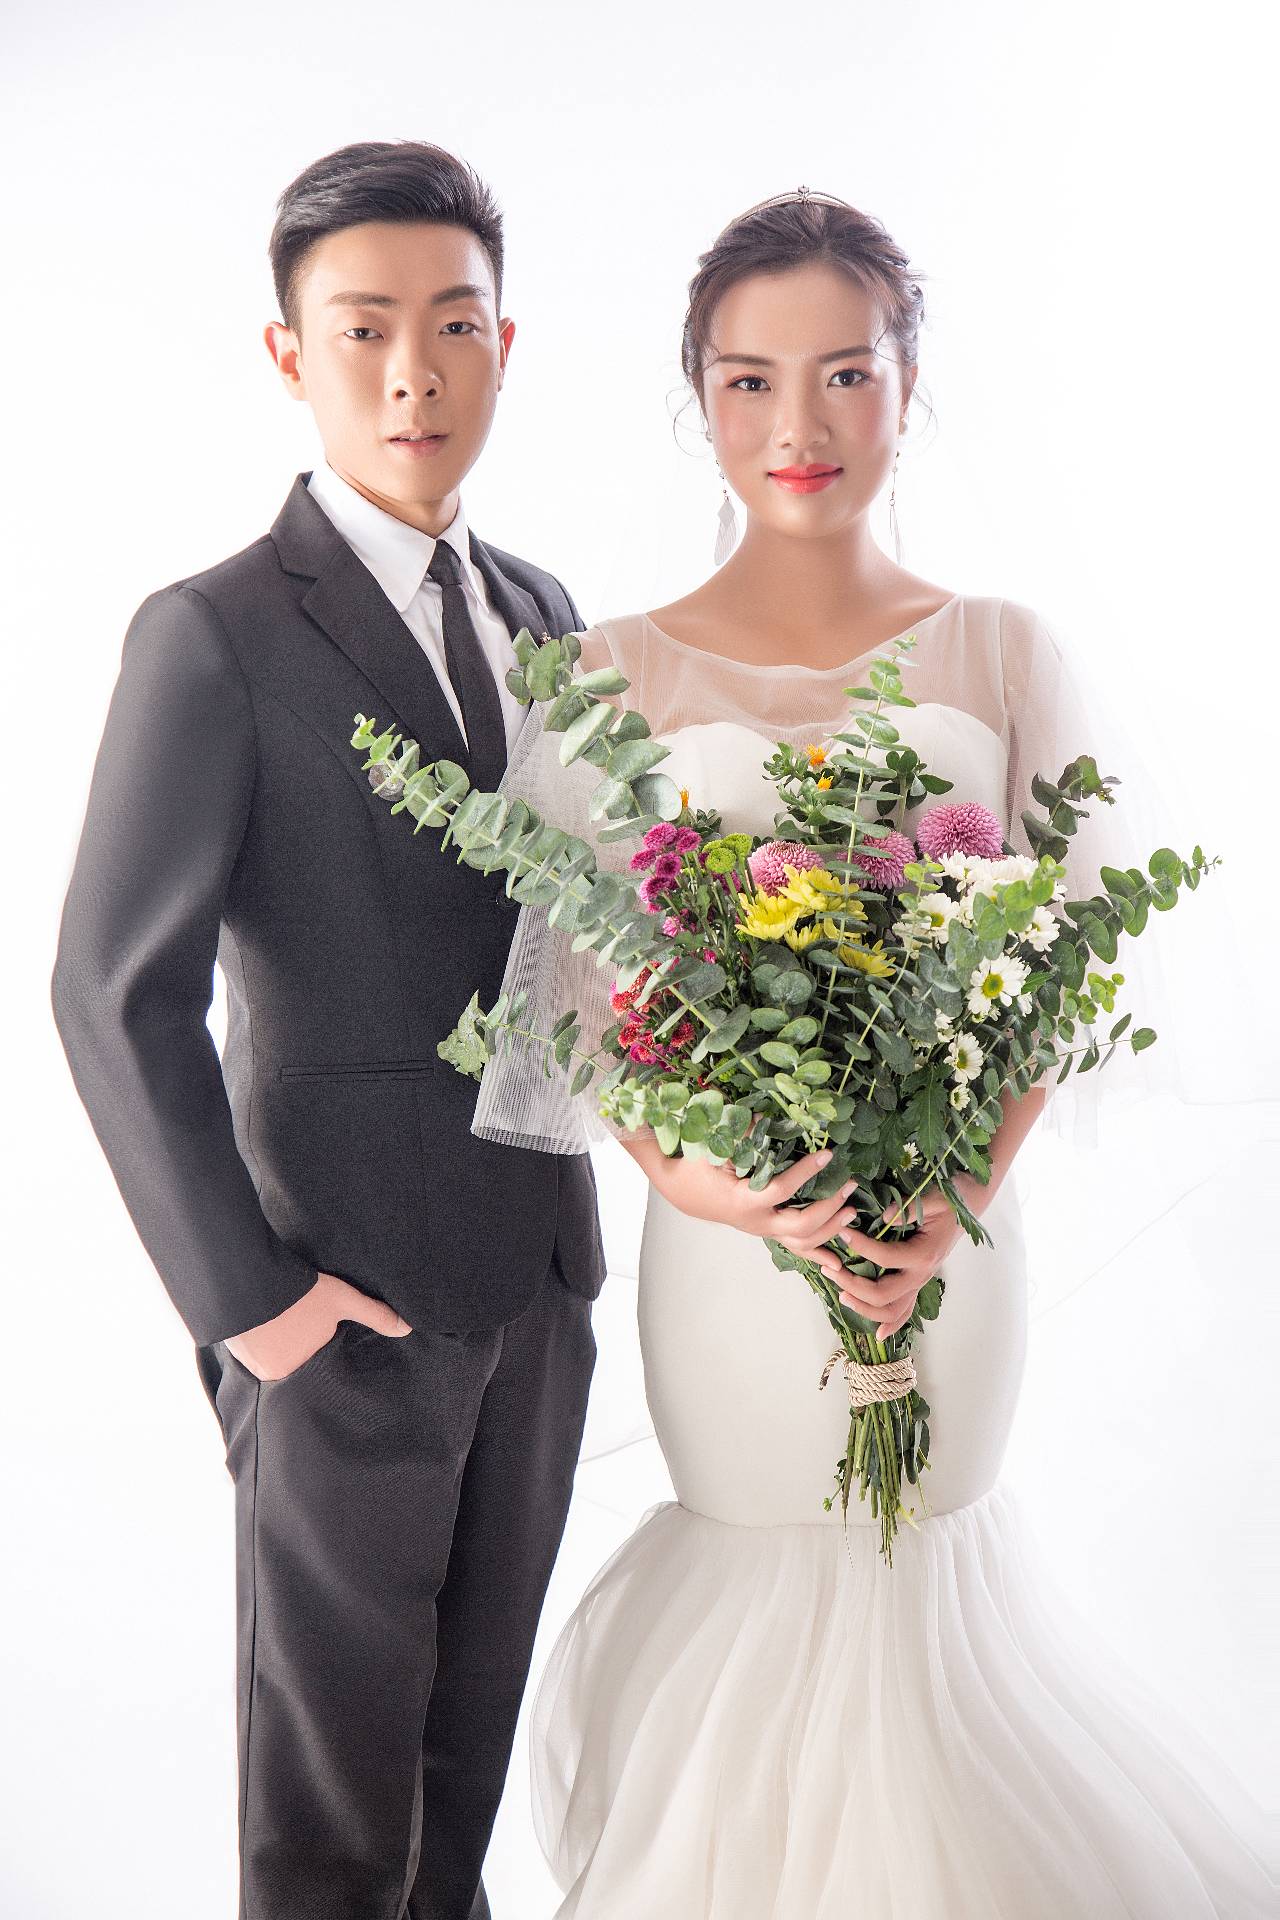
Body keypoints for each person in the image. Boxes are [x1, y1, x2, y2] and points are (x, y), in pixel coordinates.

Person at [475, 192, 1278, 1916]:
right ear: (698, 394)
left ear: (910, 384)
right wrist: (715, 1187)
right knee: (762, 1579)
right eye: (752, 380)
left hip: (948, 1252)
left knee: (921, 1600)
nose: (801, 425)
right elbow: (580, 1012)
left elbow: (1064, 971)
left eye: (847, 373)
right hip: (724, 1256)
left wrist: (951, 1196)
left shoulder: (1002, 650)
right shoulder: (603, 672)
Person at [50, 140, 604, 1920]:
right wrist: (253, 1309)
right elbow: (109, 987)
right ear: (291, 355)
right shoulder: (211, 634)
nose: (412, 374)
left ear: (507, 344)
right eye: (364, 330)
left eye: (455, 325)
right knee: (331, 1825)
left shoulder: (545, 611)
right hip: (335, 1308)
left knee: (461, 1788)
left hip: (539, 1287)